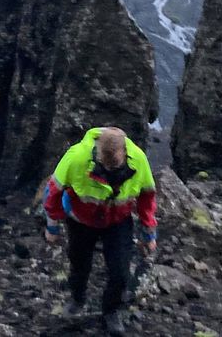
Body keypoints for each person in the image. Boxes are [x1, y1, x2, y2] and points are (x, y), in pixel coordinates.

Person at [42, 127, 157, 337]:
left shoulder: (138, 160)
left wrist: (148, 234)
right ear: (98, 151)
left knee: (121, 272)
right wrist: (53, 227)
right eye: (105, 162)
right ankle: (77, 299)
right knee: (79, 264)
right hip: (81, 221)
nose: (110, 167)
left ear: (125, 152)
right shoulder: (77, 158)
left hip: (118, 222)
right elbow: (53, 192)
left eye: (115, 164)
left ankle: (111, 311)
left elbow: (147, 197)